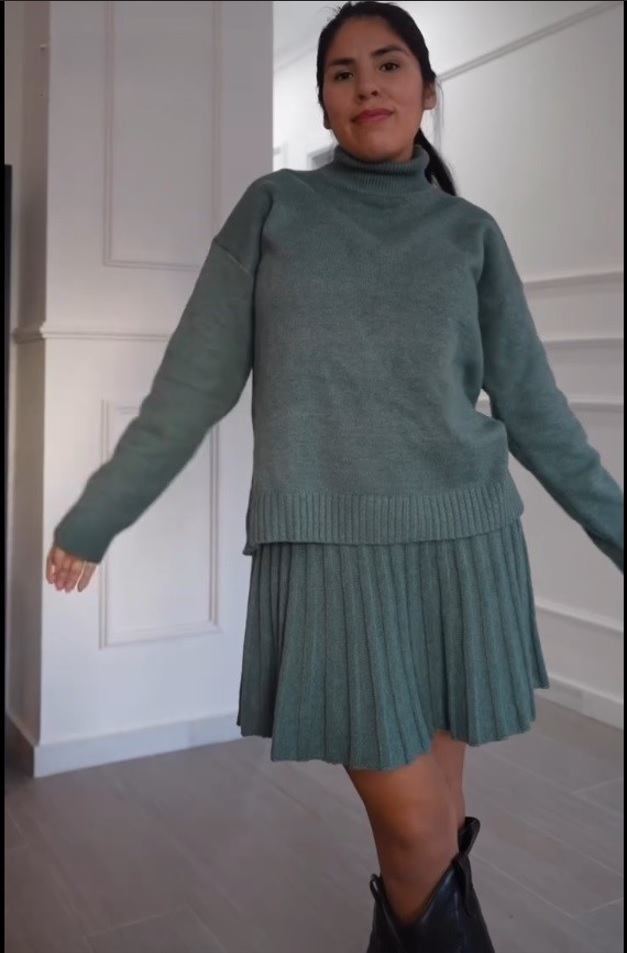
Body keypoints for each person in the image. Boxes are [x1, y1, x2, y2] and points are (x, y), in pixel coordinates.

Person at [46, 2, 623, 950]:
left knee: (437, 815)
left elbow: (537, 413)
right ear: (322, 104)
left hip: (463, 546)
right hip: (330, 555)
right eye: (342, 73)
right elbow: (191, 388)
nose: (366, 87)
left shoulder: (469, 233)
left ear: (427, 90)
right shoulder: (275, 209)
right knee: (417, 826)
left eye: (388, 65)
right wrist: (98, 515)